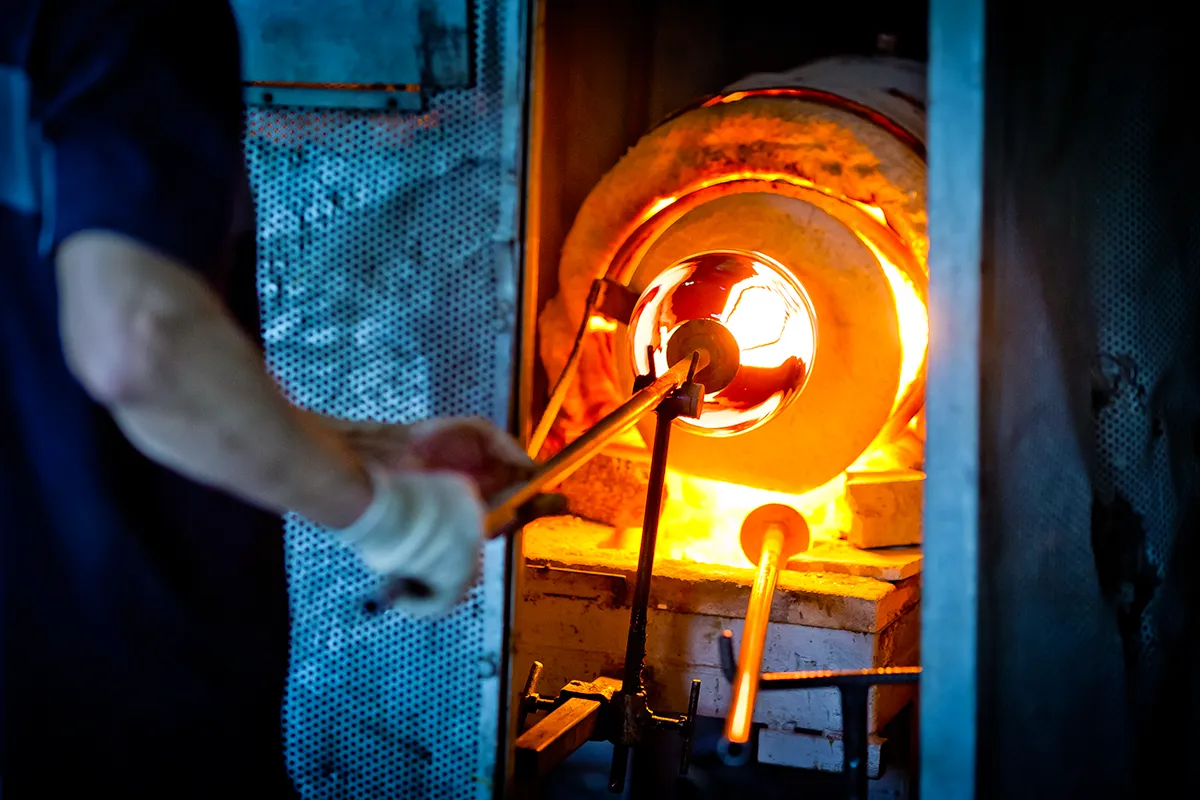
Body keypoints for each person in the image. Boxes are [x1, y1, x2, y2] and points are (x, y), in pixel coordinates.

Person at [0, 1, 531, 796]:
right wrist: (393, 520)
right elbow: (141, 343)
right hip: (112, 694)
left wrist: (373, 451)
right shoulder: (129, 18)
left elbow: (47, 350)